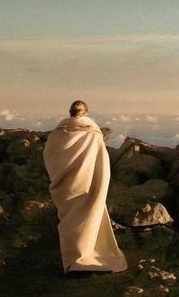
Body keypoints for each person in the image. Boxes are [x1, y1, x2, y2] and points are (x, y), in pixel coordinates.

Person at [42, 100, 128, 274]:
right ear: (86, 113)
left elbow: (49, 156)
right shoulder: (93, 133)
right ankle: (82, 258)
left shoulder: (57, 134)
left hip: (64, 185)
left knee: (69, 219)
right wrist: (98, 183)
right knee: (85, 219)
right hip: (86, 184)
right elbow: (101, 161)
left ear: (70, 112)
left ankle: (71, 260)